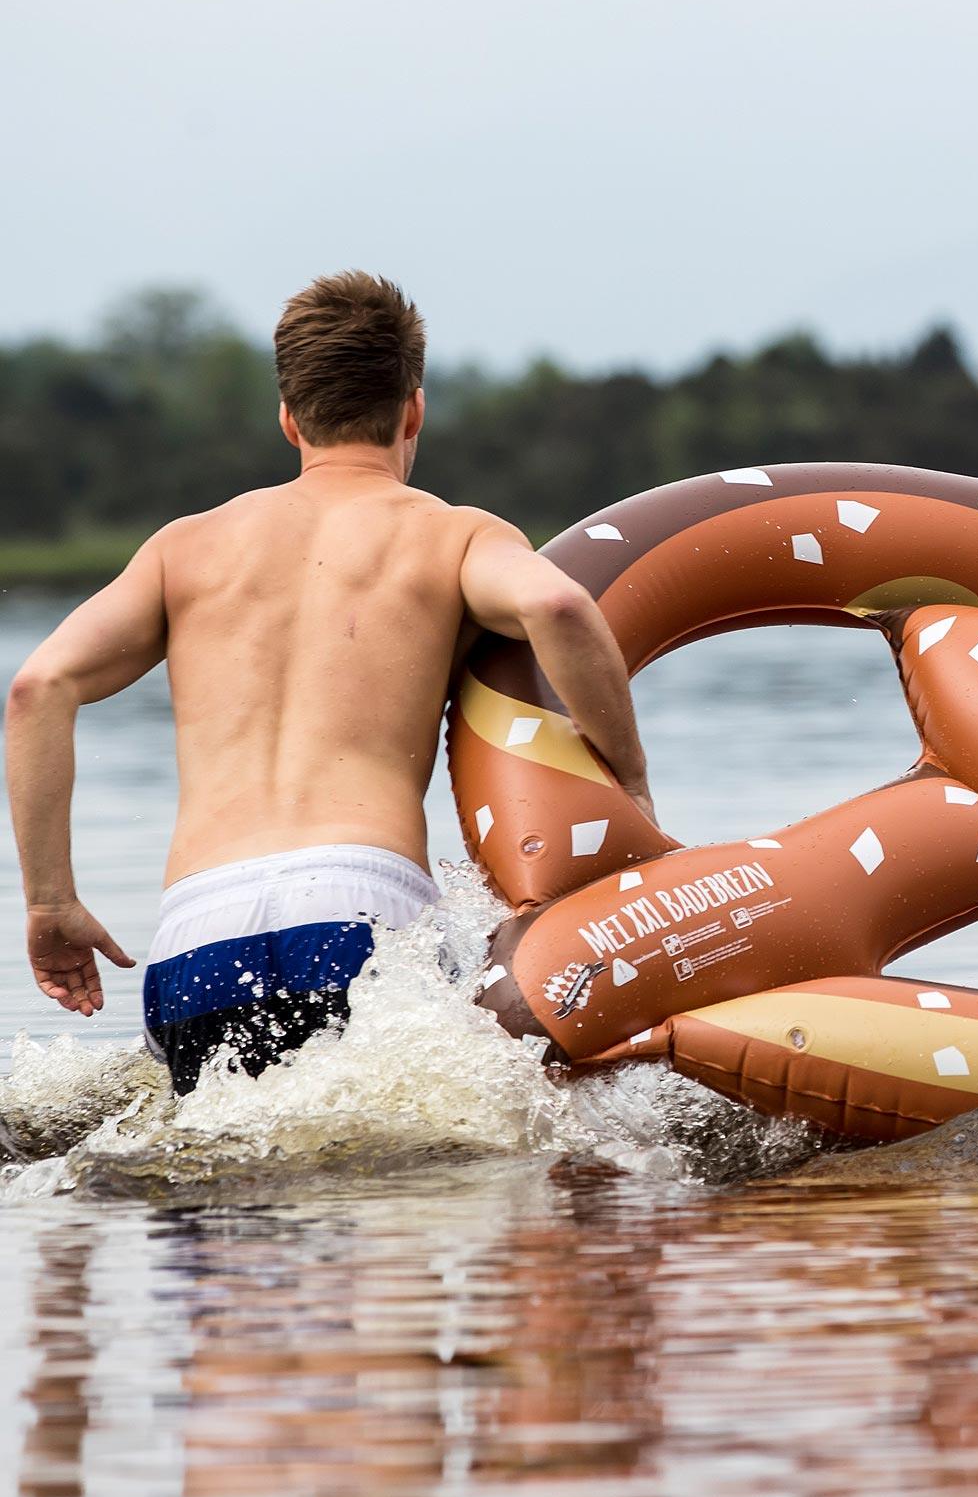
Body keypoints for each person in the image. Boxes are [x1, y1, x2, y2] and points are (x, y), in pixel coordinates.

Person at [5, 272, 652, 1092]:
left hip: (198, 929)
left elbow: (38, 687)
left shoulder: (184, 548)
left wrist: (50, 902)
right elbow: (558, 604)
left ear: (288, 418)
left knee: (217, 1184)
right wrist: (629, 779)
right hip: (360, 905)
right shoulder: (451, 534)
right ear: (413, 409)